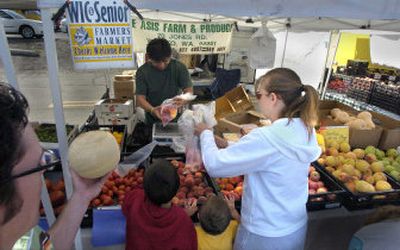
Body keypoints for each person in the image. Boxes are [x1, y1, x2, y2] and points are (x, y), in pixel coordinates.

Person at [195, 68, 322, 250]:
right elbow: (262, 155)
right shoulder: (305, 129)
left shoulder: (266, 137)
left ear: (273, 98)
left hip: (264, 234)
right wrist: (224, 143)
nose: (256, 100)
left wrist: (206, 134)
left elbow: (215, 166)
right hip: (294, 227)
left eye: (259, 94)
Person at [0, 83, 110, 249]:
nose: (45, 171)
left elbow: (46, 247)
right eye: (39, 165)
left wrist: (81, 196)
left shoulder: (20, 241)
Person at [122, 159, 197, 250]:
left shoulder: (135, 198)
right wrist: (185, 214)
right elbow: (189, 245)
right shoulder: (182, 219)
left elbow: (125, 206)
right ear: (177, 189)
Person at [136, 38, 193, 125]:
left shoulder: (179, 68)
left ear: (170, 56)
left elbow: (189, 92)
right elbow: (140, 99)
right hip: (152, 120)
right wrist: (152, 110)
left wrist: (184, 99)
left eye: (165, 61)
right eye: (157, 62)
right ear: (148, 57)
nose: (162, 66)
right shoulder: (142, 72)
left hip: (176, 120)